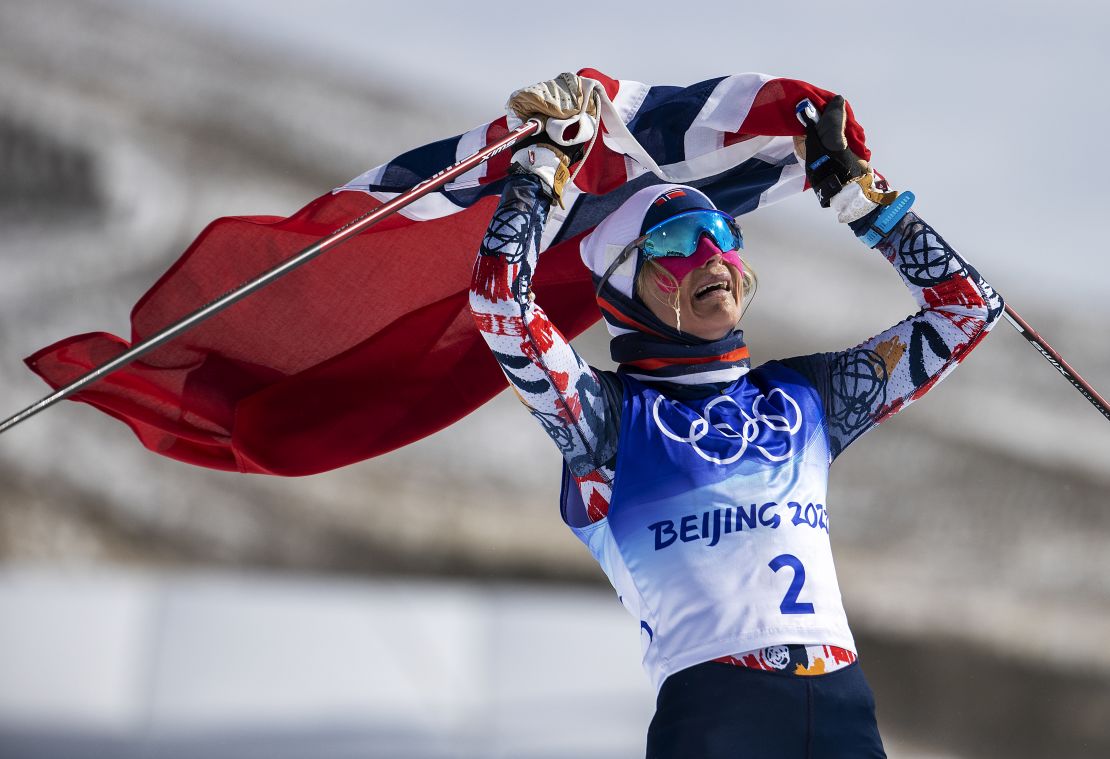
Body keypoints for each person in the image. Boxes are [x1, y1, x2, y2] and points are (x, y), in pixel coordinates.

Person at [468, 74, 1003, 758]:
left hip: (841, 706)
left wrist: (860, 200)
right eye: (678, 242)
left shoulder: (803, 397)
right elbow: (501, 305)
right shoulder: (606, 421)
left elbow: (965, 309)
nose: (712, 254)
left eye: (721, 235)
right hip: (719, 714)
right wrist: (541, 166)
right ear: (628, 285)